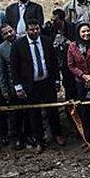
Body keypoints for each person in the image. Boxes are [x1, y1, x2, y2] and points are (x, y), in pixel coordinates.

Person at [10, 20, 63, 151]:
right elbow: (14, 68)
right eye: (32, 30)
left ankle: (57, 134)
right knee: (34, 113)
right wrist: (18, 87)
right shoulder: (18, 45)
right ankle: (39, 139)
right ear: (26, 30)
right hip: (30, 84)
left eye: (37, 29)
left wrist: (57, 80)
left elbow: (54, 62)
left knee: (52, 110)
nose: (34, 32)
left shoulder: (46, 41)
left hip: (47, 82)